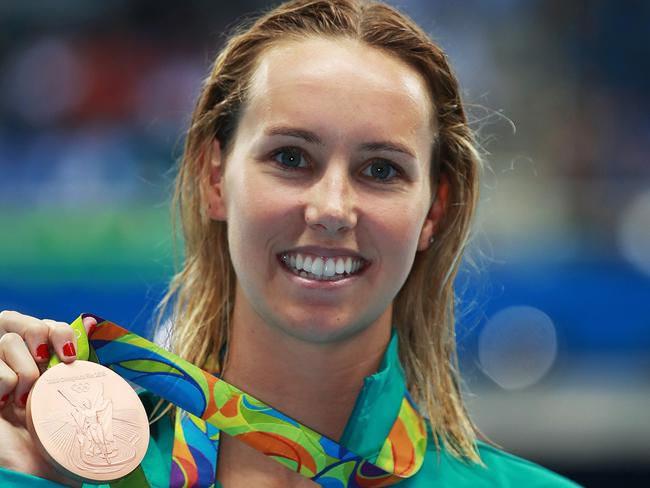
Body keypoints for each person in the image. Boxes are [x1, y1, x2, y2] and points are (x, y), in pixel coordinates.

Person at [0, 0, 582, 486]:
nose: (331, 209)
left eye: (380, 170)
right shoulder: (48, 462)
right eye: (290, 158)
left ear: (434, 210)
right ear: (213, 180)